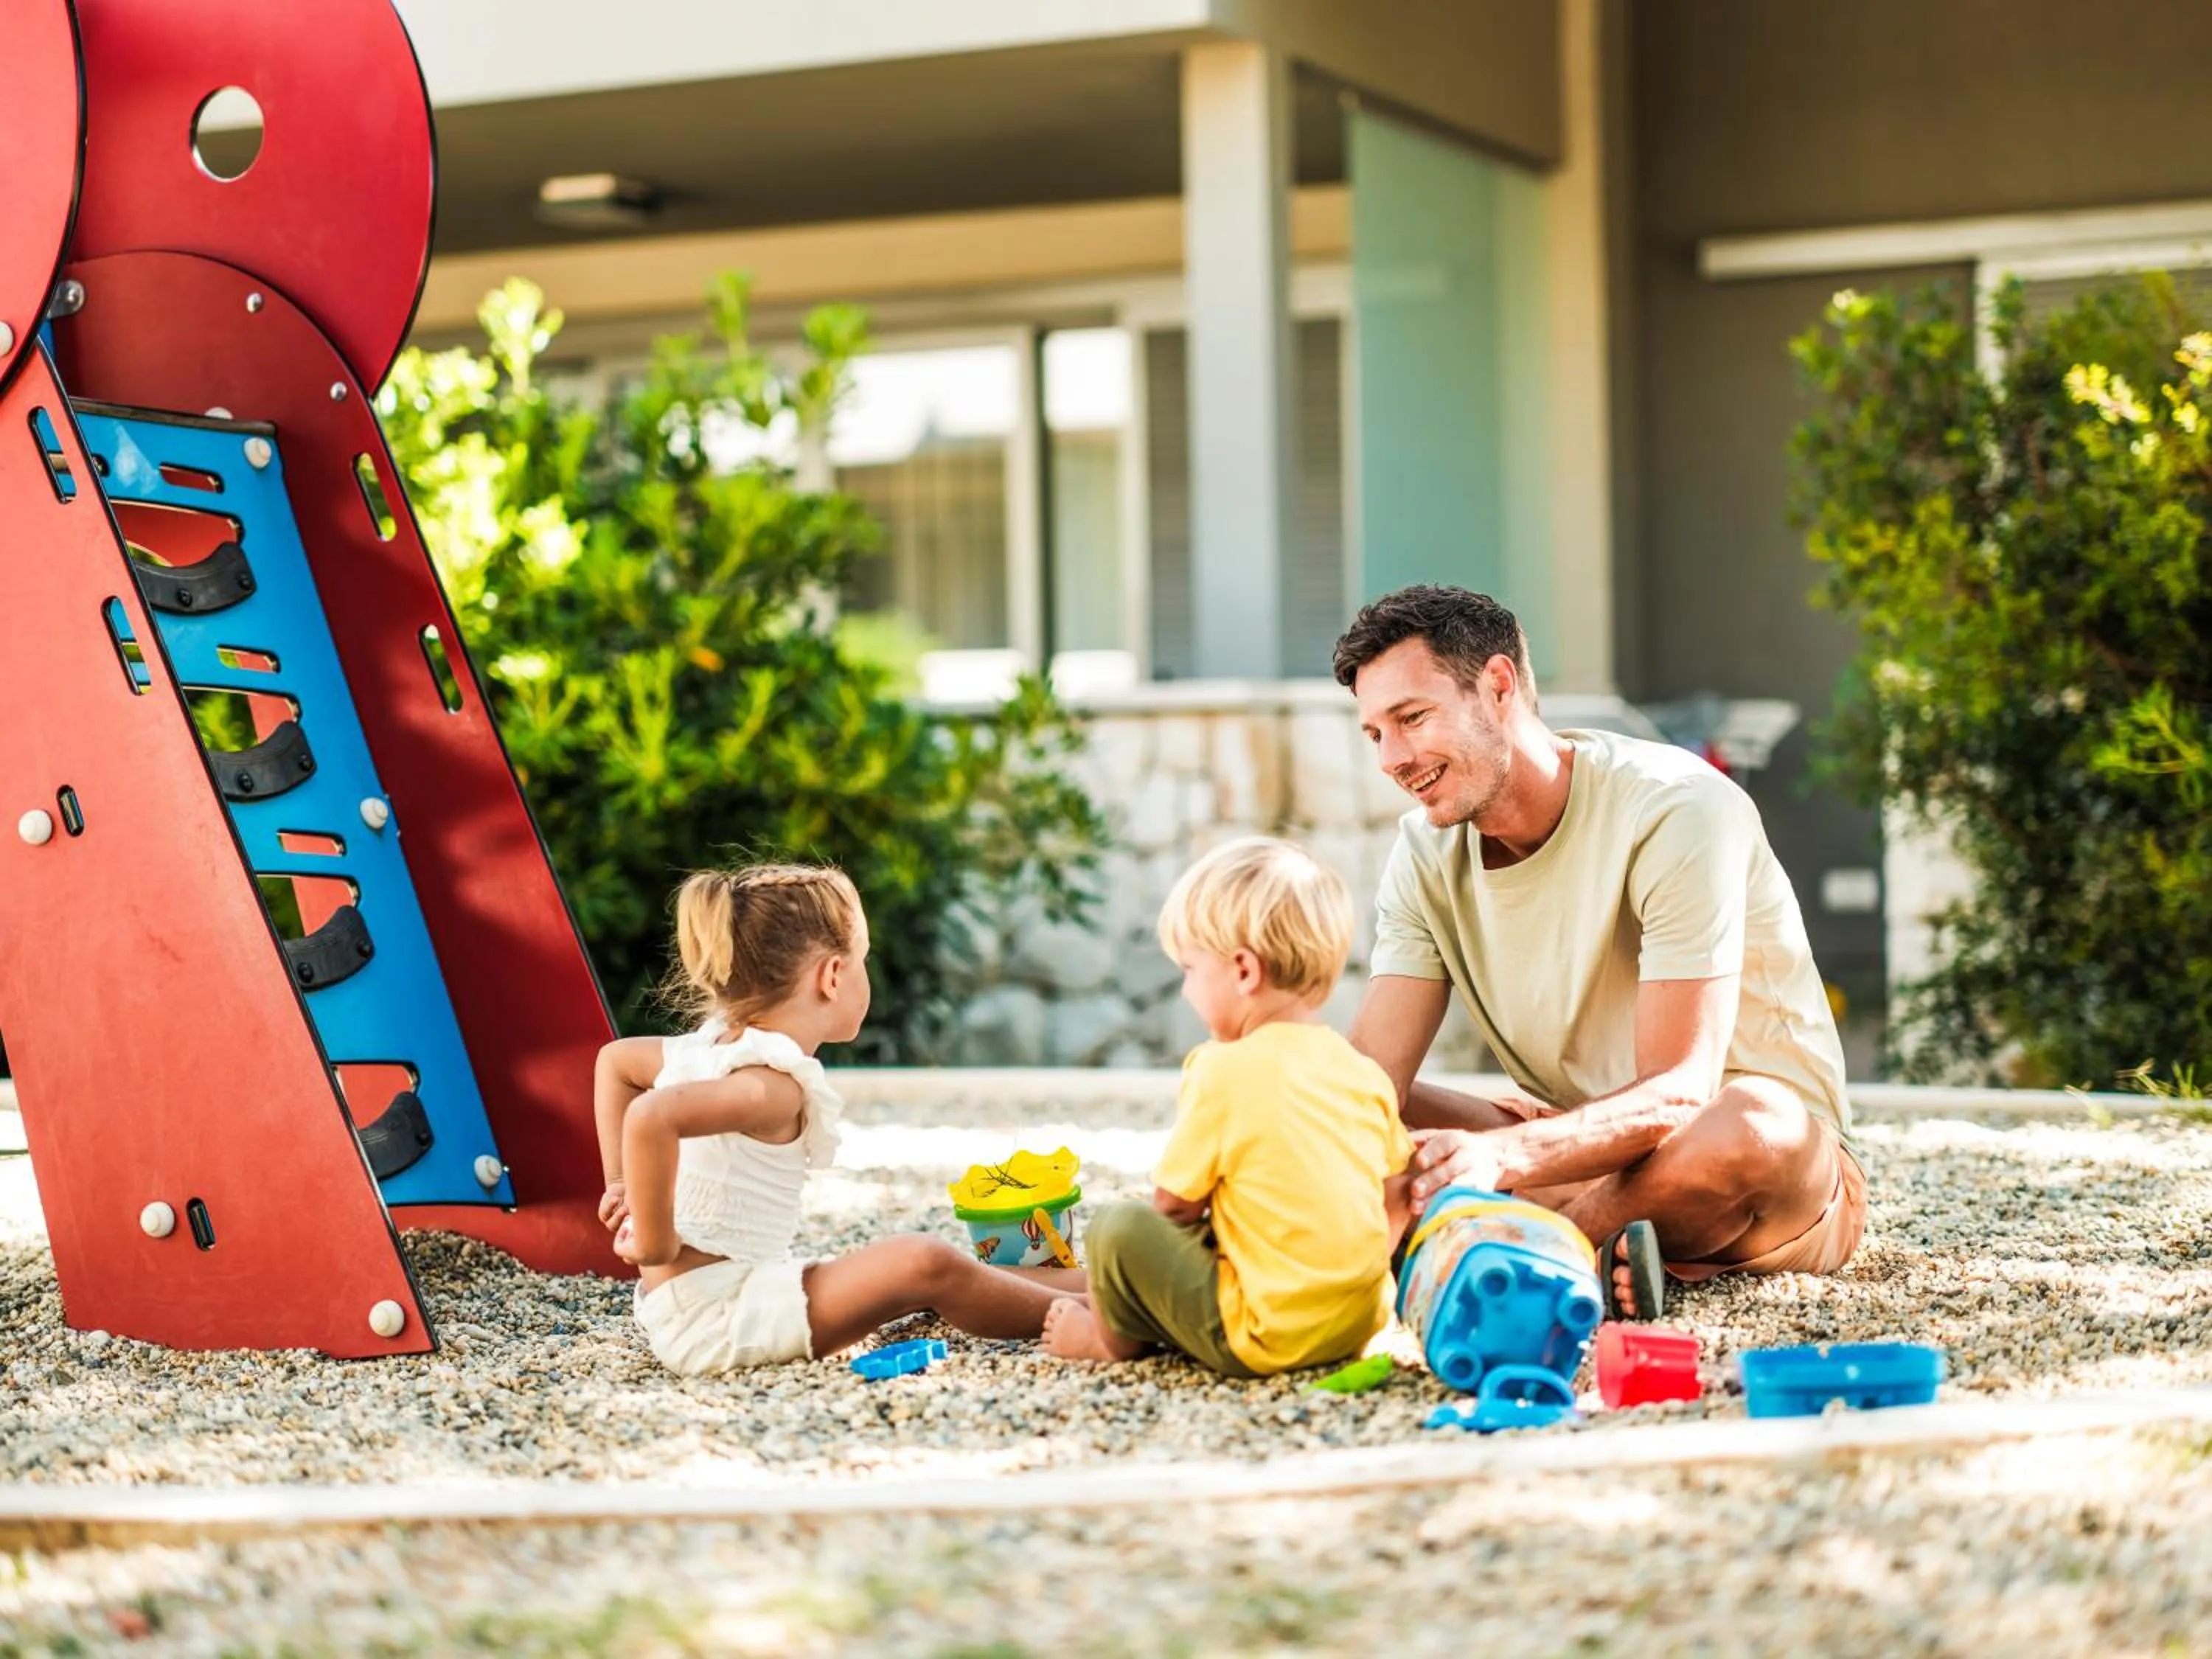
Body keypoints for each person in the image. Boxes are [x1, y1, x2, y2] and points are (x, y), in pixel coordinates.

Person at [1333, 585, 1865, 1321]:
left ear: (1496, 687)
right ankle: (1594, 1252)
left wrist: (1505, 1162)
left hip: (1752, 1171)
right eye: (1374, 735)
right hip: (1580, 1149)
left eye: (1411, 719)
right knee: (1336, 1089)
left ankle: (1527, 1254)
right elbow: (1370, 1084)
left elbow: (1682, 1092)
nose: (1393, 758)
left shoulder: (1677, 808)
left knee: (1754, 1122)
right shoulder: (1424, 854)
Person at [595, 863, 1080, 1375]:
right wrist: (653, 1239)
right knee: (924, 1263)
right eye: (862, 959)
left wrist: (622, 1184)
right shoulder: (771, 1086)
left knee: (915, 1271)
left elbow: (615, 1063)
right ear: (832, 976)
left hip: (720, 1299)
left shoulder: (708, 1046)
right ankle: (1106, 1317)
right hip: (722, 1321)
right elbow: (650, 1115)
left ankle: (1104, 1289)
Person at [1043, 837, 1415, 1375]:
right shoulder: (1361, 1072)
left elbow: (1174, 1205)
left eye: (1191, 970)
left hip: (1267, 1337)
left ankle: (1106, 1341)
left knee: (1116, 1227)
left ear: (1243, 971)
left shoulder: (1222, 1067)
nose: (1187, 990)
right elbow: (1397, 1193)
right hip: (1358, 1326)